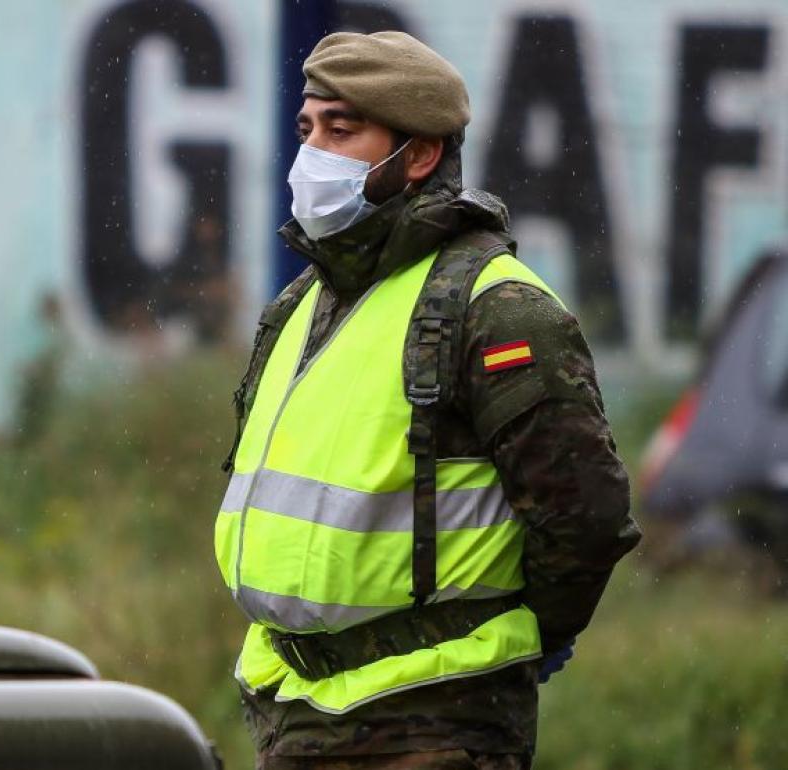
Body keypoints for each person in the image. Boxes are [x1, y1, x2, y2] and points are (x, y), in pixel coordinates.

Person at [212, 31, 641, 769]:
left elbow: (586, 519)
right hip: (291, 707)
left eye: (342, 131)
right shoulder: (303, 302)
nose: (311, 154)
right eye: (307, 129)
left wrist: (518, 637)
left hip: (432, 726)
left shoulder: (497, 309)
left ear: (418, 156)